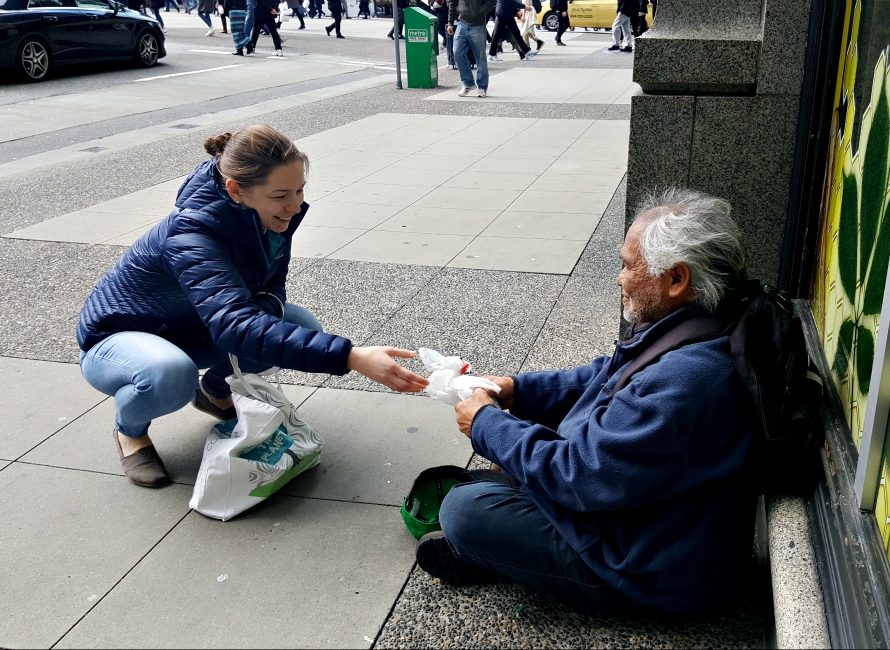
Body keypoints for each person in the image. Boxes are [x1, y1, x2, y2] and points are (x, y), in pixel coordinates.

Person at [415, 188, 756, 614]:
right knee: (501, 471)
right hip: (641, 513)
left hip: (648, 569)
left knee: (463, 510)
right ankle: (511, 544)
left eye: (629, 266)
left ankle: (509, 559)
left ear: (676, 279)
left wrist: (486, 425)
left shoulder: (688, 378)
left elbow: (582, 474)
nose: (619, 279)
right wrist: (516, 390)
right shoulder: (695, 325)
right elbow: (601, 375)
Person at [78, 126, 429, 489]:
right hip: (120, 338)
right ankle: (130, 431)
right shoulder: (192, 232)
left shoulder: (266, 218)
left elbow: (271, 286)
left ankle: (215, 392)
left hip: (195, 324)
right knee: (171, 373)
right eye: (280, 195)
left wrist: (262, 314)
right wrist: (350, 357)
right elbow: (234, 325)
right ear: (236, 190)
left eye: (300, 189)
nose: (295, 206)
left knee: (296, 320)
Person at [448, 0, 494, 97]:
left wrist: (480, 12)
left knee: (480, 57)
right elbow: (453, 3)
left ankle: (482, 87)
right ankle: (468, 83)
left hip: (478, 24)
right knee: (457, 52)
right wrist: (450, 22)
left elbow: (492, 1)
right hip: (462, 23)